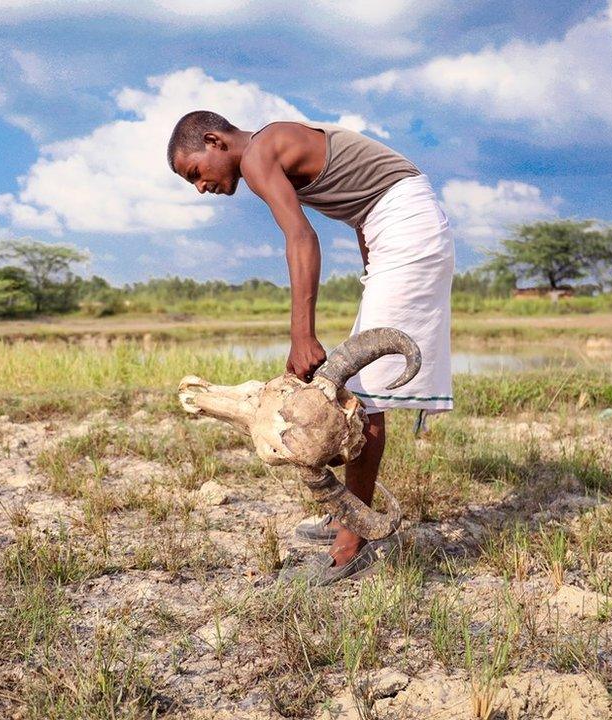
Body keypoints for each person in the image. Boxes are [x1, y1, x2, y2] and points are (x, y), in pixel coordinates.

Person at [167, 110, 454, 584]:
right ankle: (348, 520)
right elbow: (372, 189)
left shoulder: (259, 154)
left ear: (214, 141)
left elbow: (301, 236)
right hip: (398, 228)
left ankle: (353, 540)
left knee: (364, 396)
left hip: (406, 229)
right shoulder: (273, 146)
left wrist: (302, 335)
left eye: (195, 173)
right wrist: (372, 259)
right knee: (361, 389)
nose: (200, 187)